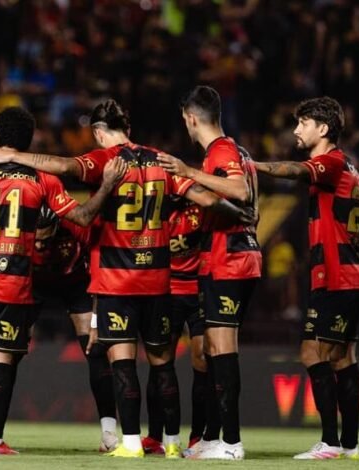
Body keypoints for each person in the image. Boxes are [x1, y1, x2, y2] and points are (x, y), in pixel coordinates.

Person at [0, 100, 250, 458]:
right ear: (128, 129)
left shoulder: (105, 160)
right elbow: (208, 200)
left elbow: (62, 165)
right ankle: (171, 443)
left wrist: (9, 156)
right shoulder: (161, 160)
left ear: (99, 133)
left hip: (117, 280)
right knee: (162, 363)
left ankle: (132, 442)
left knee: (122, 360)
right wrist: (241, 214)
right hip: (157, 280)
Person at [0, 107, 127, 455]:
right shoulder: (43, 179)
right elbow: (85, 215)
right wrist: (105, 186)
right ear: (29, 142)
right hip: (14, 286)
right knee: (3, 361)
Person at [254, 97, 359, 460]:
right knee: (342, 357)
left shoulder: (332, 161)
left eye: (302, 124)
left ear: (323, 129)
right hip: (353, 273)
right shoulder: (351, 167)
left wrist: (253, 165)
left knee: (311, 351)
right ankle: (349, 444)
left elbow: (295, 170)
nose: (295, 131)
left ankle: (331, 443)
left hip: (335, 277)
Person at [158, 86, 261, 460]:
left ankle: (231, 443)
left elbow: (239, 191)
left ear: (191, 117)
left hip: (229, 262)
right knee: (217, 350)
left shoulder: (220, 151)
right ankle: (214, 438)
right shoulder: (239, 151)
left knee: (222, 350)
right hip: (238, 257)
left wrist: (187, 173)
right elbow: (252, 202)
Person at [0, 204, 118, 453]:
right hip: (32, 284)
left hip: (75, 283)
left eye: (45, 238)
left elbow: (99, 269)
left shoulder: (76, 226)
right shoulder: (15, 232)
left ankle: (109, 433)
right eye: (35, 240)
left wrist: (95, 320)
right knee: (8, 352)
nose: (39, 245)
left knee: (95, 351)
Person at [142, 198, 208, 456]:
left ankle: (197, 437)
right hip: (166, 291)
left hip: (199, 290)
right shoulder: (153, 211)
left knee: (203, 358)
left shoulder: (200, 210)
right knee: (160, 360)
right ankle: (155, 436)